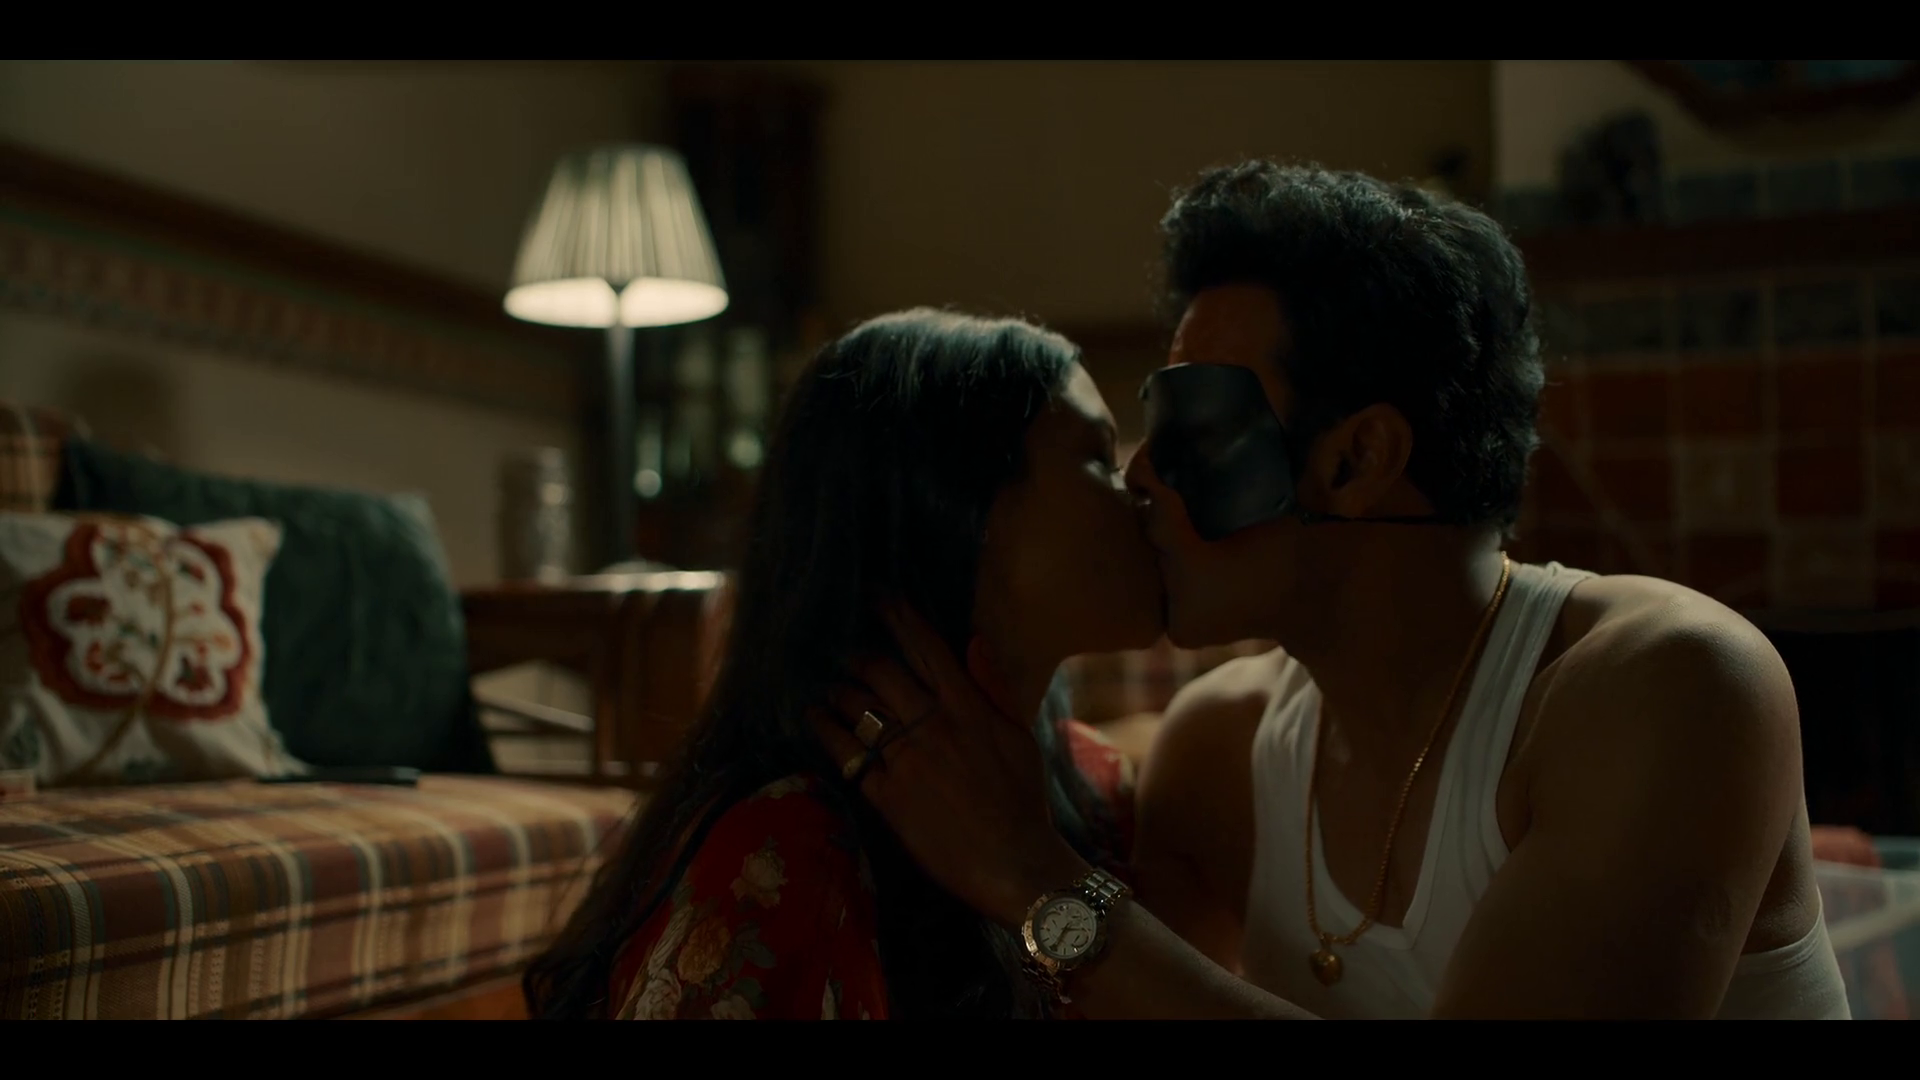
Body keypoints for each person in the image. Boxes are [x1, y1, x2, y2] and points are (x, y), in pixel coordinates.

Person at [815, 161, 1851, 1020]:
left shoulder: (1668, 687)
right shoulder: (1216, 758)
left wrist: (1035, 877)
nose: (1139, 475)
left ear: (1356, 461)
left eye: (1195, 427)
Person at [522, 308, 1165, 1019]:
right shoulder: (783, 862)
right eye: (1097, 459)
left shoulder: (1099, 790)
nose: (1141, 483)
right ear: (951, 511)